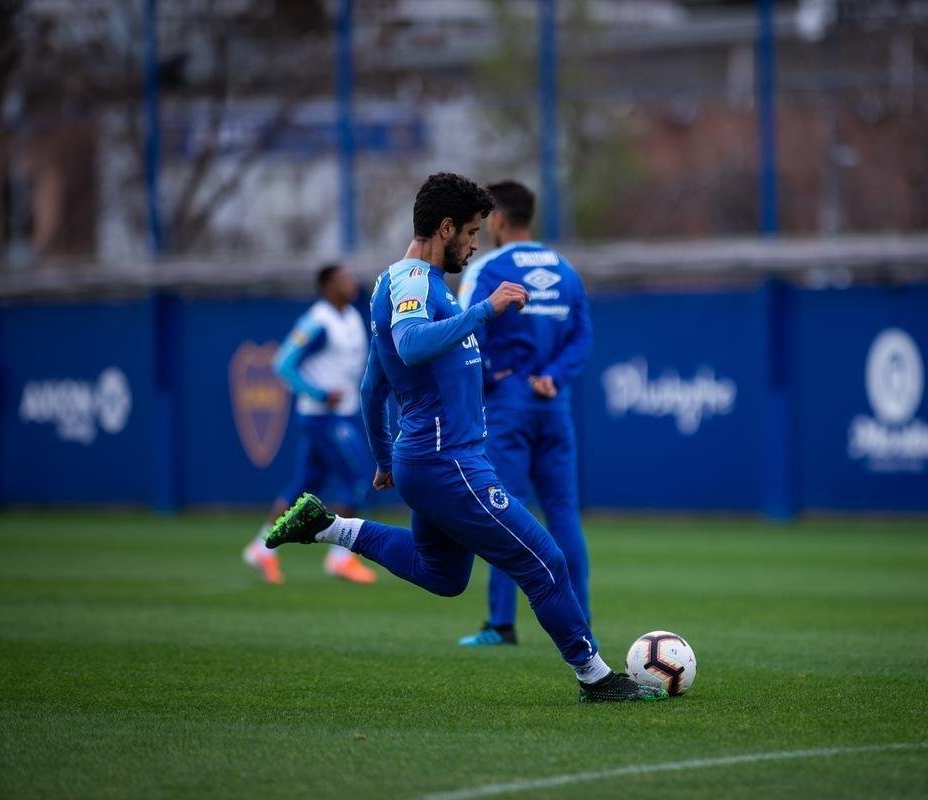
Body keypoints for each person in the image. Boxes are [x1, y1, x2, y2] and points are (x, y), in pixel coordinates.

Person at [264, 172, 665, 702]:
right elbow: (409, 346)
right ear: (446, 227)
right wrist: (485, 310)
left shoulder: (398, 283)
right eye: (472, 232)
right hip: (447, 460)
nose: (476, 244)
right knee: (544, 561)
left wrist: (383, 459)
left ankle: (329, 527)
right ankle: (596, 678)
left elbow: (371, 387)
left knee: (443, 575)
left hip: (427, 459)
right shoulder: (413, 280)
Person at [454, 180, 592, 647]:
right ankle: (580, 622)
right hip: (554, 404)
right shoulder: (566, 270)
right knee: (564, 515)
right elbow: (583, 337)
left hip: (508, 405)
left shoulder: (489, 267)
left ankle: (501, 624)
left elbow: (465, 333)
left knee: (503, 512)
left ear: (496, 219)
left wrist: (495, 375)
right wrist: (555, 374)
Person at [243, 264, 377, 586]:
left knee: (305, 485)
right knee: (357, 478)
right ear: (327, 286)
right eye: (343, 279)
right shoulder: (318, 321)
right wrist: (319, 393)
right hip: (324, 418)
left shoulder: (351, 316)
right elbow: (283, 363)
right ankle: (340, 557)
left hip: (341, 414)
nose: (351, 282)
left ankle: (262, 547)